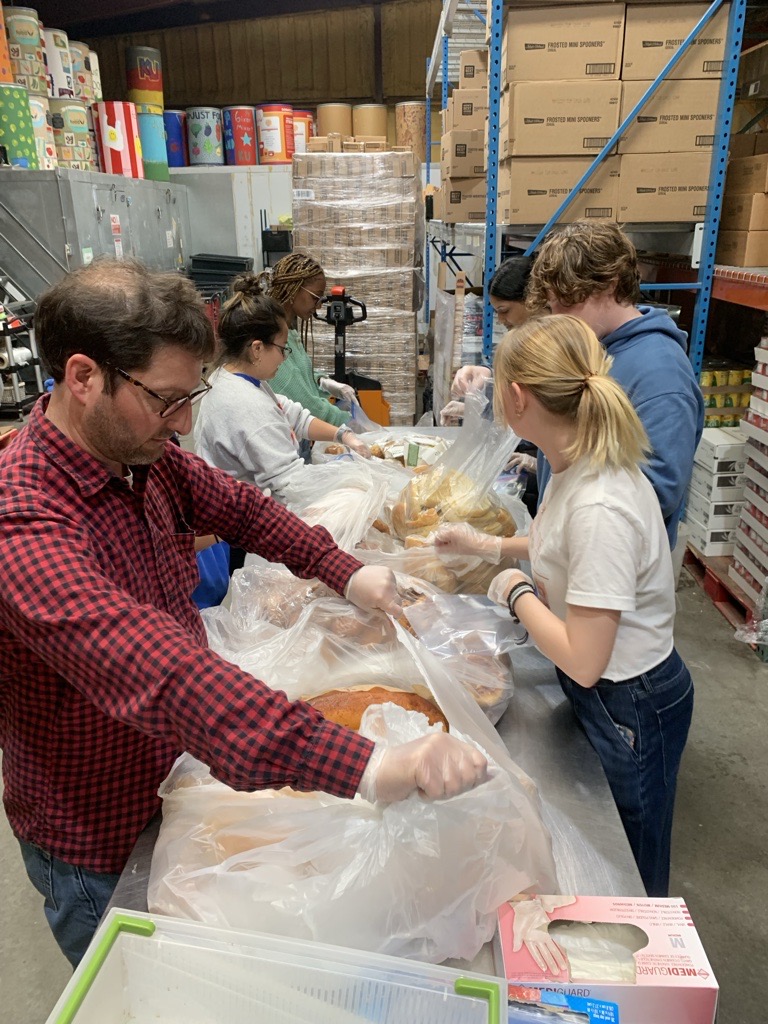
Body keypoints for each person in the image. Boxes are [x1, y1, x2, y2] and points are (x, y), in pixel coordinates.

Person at [0, 258, 488, 967]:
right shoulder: (24, 522)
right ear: (83, 378)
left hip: (177, 780)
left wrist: (349, 573)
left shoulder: (140, 454)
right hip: (99, 835)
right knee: (147, 995)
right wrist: (368, 765)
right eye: (167, 399)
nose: (188, 420)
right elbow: (165, 674)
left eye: (192, 392)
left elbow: (246, 508)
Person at [434, 314, 694, 898]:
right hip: (613, 689)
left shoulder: (601, 501)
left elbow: (583, 659)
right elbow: (563, 544)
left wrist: (515, 591)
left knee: (629, 867)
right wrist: (491, 545)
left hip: (631, 699)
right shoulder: (575, 463)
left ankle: (641, 978)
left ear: (517, 396)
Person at [194, 273, 371, 502]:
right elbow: (292, 484)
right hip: (246, 525)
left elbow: (290, 413)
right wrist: (348, 479)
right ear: (257, 349)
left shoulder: (233, 377)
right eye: (282, 349)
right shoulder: (246, 406)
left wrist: (343, 435)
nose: (284, 358)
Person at [265, 251, 353, 431]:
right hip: (286, 432)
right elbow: (303, 401)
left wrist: (324, 382)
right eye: (315, 297)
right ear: (293, 289)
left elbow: (299, 372)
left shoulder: (289, 331)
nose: (319, 305)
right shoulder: (272, 337)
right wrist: (349, 421)